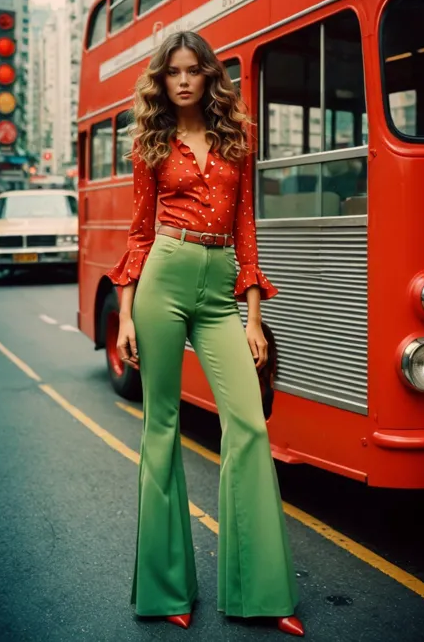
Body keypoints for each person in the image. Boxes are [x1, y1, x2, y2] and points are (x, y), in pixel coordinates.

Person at [107, 31, 304, 637]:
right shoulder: (150, 143)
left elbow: (246, 231)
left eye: (195, 70)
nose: (185, 80)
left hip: (221, 290)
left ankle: (263, 594)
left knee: (247, 424)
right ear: (162, 81)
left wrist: (254, 318)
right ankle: (166, 590)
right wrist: (123, 315)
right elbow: (140, 234)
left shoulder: (236, 141)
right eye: (174, 71)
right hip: (163, 277)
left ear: (210, 76)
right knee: (161, 427)